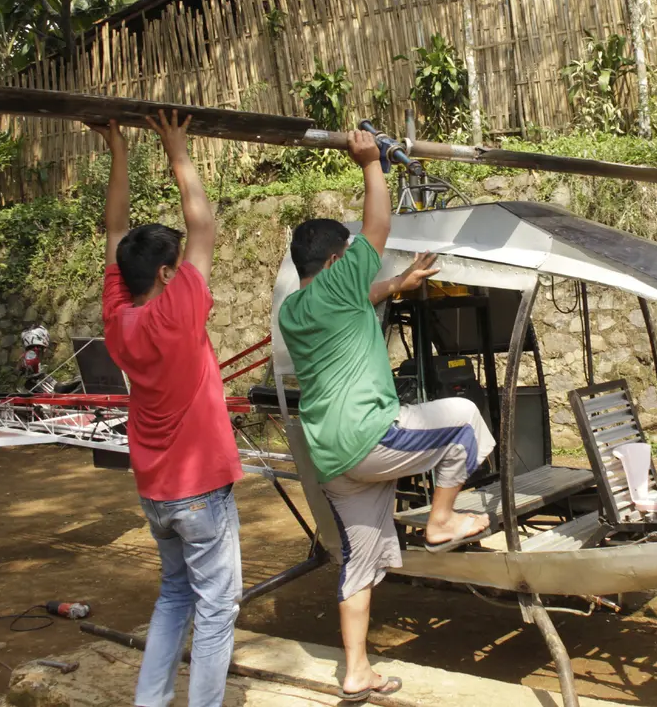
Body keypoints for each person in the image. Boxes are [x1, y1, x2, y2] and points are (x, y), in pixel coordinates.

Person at [277, 130, 496, 701]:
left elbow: (357, 296)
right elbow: (377, 227)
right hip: (370, 437)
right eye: (346, 257)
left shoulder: (297, 307)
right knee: (466, 417)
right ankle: (442, 519)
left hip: (332, 459)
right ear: (333, 260)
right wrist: (371, 162)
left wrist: (397, 284)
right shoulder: (340, 278)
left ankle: (356, 672)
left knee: (360, 561)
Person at [93, 110, 243, 707]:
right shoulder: (176, 310)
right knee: (216, 608)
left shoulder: (118, 316)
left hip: (155, 491)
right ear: (163, 272)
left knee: (174, 596)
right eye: (174, 263)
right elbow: (202, 224)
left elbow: (113, 231)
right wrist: (177, 147)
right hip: (201, 492)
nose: (184, 265)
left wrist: (120, 153)